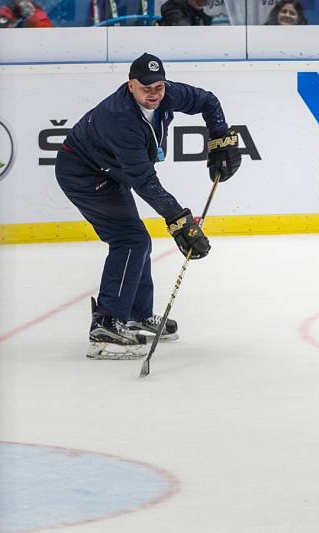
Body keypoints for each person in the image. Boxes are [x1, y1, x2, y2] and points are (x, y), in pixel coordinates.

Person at [55, 52, 241, 359]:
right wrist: (179, 219)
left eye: (159, 86)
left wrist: (219, 136)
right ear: (131, 85)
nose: (154, 93)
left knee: (136, 239)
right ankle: (106, 324)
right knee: (130, 239)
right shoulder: (120, 119)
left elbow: (208, 101)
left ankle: (135, 315)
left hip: (109, 171)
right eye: (146, 87)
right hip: (82, 173)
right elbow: (143, 180)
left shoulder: (167, 95)